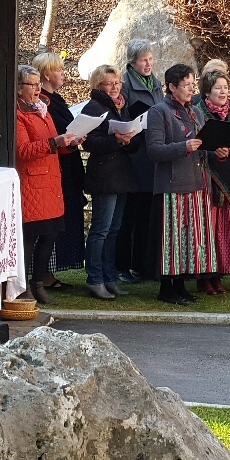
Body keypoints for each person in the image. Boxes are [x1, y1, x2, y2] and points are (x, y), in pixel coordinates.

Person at [145, 64, 217, 304]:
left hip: (196, 183)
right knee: (171, 240)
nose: (191, 89)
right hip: (172, 185)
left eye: (192, 84)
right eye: (186, 85)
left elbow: (203, 143)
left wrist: (216, 150)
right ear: (172, 87)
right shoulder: (159, 111)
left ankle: (181, 285)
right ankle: (166, 289)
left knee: (188, 239)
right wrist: (183, 147)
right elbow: (154, 150)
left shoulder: (195, 111)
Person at [14, 64, 81, 305]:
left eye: (38, 84)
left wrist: (70, 143)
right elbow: (23, 150)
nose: (37, 89)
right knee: (30, 238)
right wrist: (54, 142)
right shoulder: (18, 114)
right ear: (18, 88)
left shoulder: (43, 109)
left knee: (50, 234)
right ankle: (22, 286)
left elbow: (54, 144)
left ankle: (38, 283)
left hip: (51, 182)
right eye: (31, 85)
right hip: (32, 182)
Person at [79, 64, 142, 300]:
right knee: (101, 230)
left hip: (122, 175)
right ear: (98, 85)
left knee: (114, 230)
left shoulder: (122, 105)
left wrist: (129, 140)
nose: (115, 87)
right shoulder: (94, 107)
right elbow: (89, 143)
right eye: (109, 83)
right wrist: (116, 140)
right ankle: (95, 278)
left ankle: (109, 276)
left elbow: (135, 142)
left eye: (117, 83)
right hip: (104, 176)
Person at [33, 51, 86, 289]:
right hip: (56, 166)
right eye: (59, 70)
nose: (64, 74)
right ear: (46, 74)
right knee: (51, 223)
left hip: (67, 163)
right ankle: (42, 273)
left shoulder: (57, 99)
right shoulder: (43, 103)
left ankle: (47, 272)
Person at [195, 67, 230, 294]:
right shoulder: (198, 112)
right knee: (208, 231)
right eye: (218, 88)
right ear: (207, 91)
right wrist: (213, 152)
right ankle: (204, 277)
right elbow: (195, 144)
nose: (223, 92)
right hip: (207, 181)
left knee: (224, 232)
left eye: (226, 87)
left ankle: (218, 276)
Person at [118, 38, 161, 282]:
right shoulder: (125, 85)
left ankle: (143, 264)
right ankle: (122, 266)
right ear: (133, 62)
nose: (148, 64)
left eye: (151, 59)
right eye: (144, 60)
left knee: (147, 215)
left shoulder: (156, 84)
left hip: (152, 155)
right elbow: (122, 116)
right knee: (129, 216)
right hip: (134, 156)